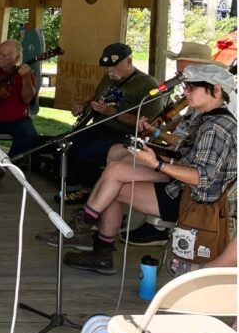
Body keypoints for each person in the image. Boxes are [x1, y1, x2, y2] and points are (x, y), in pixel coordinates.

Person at [38, 63, 236, 275]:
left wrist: (157, 163)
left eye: (192, 88)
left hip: (196, 202)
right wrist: (154, 139)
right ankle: (93, 240)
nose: (186, 92)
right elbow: (185, 148)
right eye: (186, 87)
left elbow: (201, 177)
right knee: (116, 163)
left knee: (114, 181)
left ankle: (92, 239)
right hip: (183, 186)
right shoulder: (209, 117)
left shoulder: (215, 127)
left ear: (216, 89)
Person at [112, 41, 226, 246]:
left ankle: (109, 234)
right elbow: (183, 127)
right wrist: (157, 131)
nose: (182, 84)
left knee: (116, 174)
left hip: (191, 190)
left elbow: (201, 173)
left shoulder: (216, 121)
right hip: (179, 164)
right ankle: (111, 228)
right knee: (116, 157)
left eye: (186, 76)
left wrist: (158, 160)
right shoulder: (202, 104)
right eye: (179, 74)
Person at [60, 43, 167, 204]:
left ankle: (89, 191)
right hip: (99, 126)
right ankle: (73, 186)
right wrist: (83, 105)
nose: (110, 71)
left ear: (129, 62)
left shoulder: (147, 84)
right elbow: (97, 97)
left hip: (124, 134)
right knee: (65, 144)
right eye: (107, 67)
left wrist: (114, 114)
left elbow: (152, 122)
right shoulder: (108, 78)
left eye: (115, 67)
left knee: (87, 153)